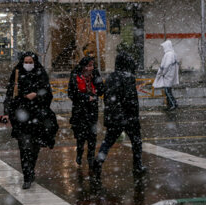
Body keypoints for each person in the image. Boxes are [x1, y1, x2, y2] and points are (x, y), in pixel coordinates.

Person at [4, 52, 58, 189]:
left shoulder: (40, 73)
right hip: (21, 118)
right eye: (26, 62)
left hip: (37, 118)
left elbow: (47, 94)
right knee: (24, 147)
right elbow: (10, 94)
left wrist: (36, 96)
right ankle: (27, 175)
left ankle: (31, 169)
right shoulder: (16, 73)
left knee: (34, 147)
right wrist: (20, 100)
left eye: (30, 62)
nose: (28, 65)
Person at [94, 51, 147, 181]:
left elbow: (107, 97)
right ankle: (137, 166)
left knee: (107, 142)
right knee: (136, 142)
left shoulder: (111, 77)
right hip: (128, 117)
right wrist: (133, 115)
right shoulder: (128, 77)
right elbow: (130, 99)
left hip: (114, 117)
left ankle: (98, 162)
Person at [68, 57, 104, 167]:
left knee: (92, 134)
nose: (90, 68)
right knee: (81, 134)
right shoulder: (75, 75)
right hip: (79, 109)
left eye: (92, 65)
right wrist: (85, 98)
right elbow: (71, 93)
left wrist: (95, 93)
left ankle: (91, 157)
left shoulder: (95, 74)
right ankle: (79, 153)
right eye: (88, 66)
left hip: (92, 109)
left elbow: (101, 89)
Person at [152, 40, 179, 111]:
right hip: (170, 75)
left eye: (164, 46)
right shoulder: (172, 53)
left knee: (167, 91)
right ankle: (172, 105)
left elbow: (166, 65)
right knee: (168, 91)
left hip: (168, 75)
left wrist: (162, 73)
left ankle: (173, 105)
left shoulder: (169, 54)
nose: (163, 48)